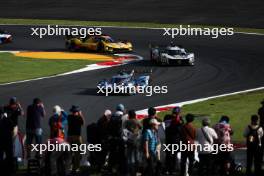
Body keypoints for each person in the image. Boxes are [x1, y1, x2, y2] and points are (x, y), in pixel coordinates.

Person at [164, 107, 184, 174]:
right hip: (175, 140)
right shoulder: (179, 120)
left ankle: (167, 169)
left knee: (169, 154)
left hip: (168, 139)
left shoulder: (167, 117)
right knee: (173, 155)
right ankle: (172, 170)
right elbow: (180, 130)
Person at [124, 110, 142, 176]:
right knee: (137, 156)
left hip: (129, 141)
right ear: (134, 115)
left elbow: (124, 131)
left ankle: (130, 171)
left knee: (129, 157)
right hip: (136, 141)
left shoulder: (126, 122)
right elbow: (141, 127)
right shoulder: (137, 121)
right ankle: (136, 171)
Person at [67, 105, 84, 173]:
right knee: (77, 153)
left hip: (70, 137)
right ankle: (76, 168)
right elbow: (83, 123)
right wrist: (81, 114)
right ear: (77, 112)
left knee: (70, 153)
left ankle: (69, 167)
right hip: (77, 137)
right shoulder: (79, 118)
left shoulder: (69, 117)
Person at [0, 106, 14, 176]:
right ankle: (10, 170)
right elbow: (12, 130)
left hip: (1, 141)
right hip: (8, 141)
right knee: (9, 156)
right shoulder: (8, 120)